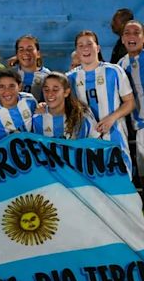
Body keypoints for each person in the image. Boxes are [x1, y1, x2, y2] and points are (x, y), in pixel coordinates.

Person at [67, 30, 135, 177]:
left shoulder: (114, 71)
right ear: (77, 51)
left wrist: (111, 118)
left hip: (115, 136)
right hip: (84, 141)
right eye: (81, 45)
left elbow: (130, 103)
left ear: (97, 48)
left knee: (121, 184)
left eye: (89, 44)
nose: (85, 48)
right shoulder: (69, 78)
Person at [0, 69, 37, 151]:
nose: (7, 91)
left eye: (11, 86)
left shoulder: (30, 100)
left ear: (19, 86)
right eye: (2, 87)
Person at [32, 72, 100, 139]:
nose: (50, 94)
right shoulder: (37, 117)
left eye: (55, 90)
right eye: (46, 90)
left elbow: (98, 142)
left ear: (66, 92)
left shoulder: (82, 114)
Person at [118, 20, 144, 177]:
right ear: (122, 39)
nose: (131, 36)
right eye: (127, 33)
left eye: (136, 32)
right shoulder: (120, 64)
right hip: (138, 127)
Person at [12, 34, 50, 100]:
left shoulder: (47, 76)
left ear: (38, 54)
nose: (26, 52)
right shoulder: (10, 74)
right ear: (17, 55)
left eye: (30, 49)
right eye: (21, 49)